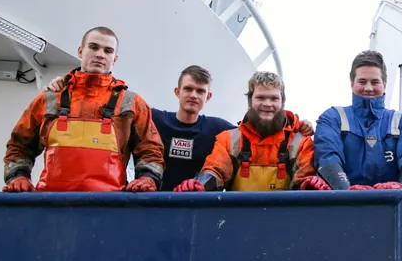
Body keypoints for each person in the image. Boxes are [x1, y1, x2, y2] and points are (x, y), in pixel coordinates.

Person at [43, 65, 314, 191]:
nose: (193, 95)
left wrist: (293, 123)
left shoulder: (221, 131)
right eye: (188, 89)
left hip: (197, 209)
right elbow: (108, 110)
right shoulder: (153, 120)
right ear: (177, 91)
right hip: (152, 205)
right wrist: (67, 85)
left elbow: (260, 135)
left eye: (200, 91)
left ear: (208, 97)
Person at [3, 26, 164, 192]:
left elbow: (150, 150)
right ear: (80, 51)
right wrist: (18, 176)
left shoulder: (131, 103)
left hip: (109, 206)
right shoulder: (50, 98)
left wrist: (147, 178)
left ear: (114, 59)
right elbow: (19, 145)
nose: (100, 54)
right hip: (51, 205)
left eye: (108, 51)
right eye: (93, 47)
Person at [303, 50, 402, 191]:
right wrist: (346, 192)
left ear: (384, 84)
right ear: (352, 83)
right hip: (343, 206)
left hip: (393, 207)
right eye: (362, 82)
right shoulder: (332, 118)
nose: (368, 88)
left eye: (375, 82)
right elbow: (327, 156)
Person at [173, 71, 315, 191]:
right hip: (236, 221)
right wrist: (200, 185)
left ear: (282, 102)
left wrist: (311, 184)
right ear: (250, 101)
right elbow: (216, 170)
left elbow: (305, 179)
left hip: (286, 221)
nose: (267, 104)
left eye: (273, 98)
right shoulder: (228, 139)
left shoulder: (301, 142)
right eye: (260, 97)